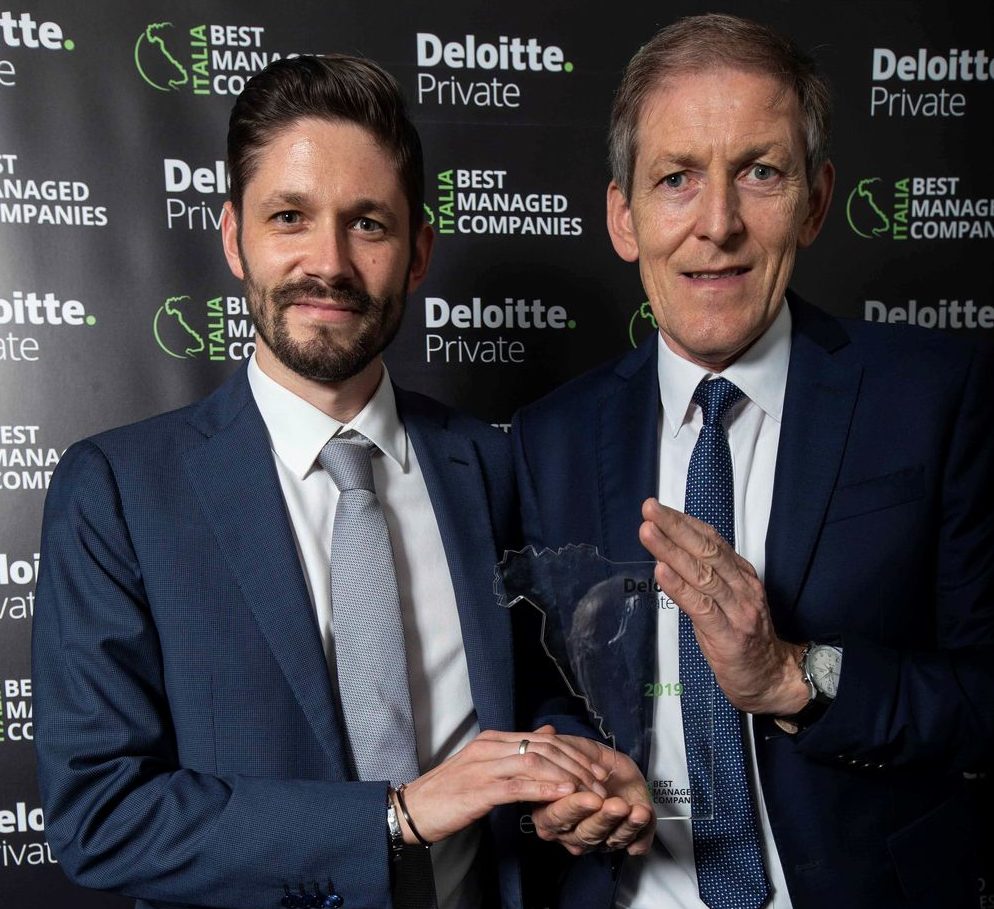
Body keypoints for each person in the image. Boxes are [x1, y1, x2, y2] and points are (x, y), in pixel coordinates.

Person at [31, 53, 636, 909]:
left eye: (369, 224)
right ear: (234, 238)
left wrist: (572, 772)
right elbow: (102, 813)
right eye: (290, 217)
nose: (330, 262)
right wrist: (394, 818)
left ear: (418, 252)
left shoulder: (486, 463)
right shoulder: (120, 493)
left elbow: (535, 686)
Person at [512, 13, 994, 909]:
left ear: (815, 200)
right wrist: (567, 775)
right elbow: (548, 685)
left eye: (759, 172)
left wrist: (794, 676)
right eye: (676, 179)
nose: (718, 224)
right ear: (623, 217)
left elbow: (983, 696)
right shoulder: (551, 438)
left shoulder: (934, 396)